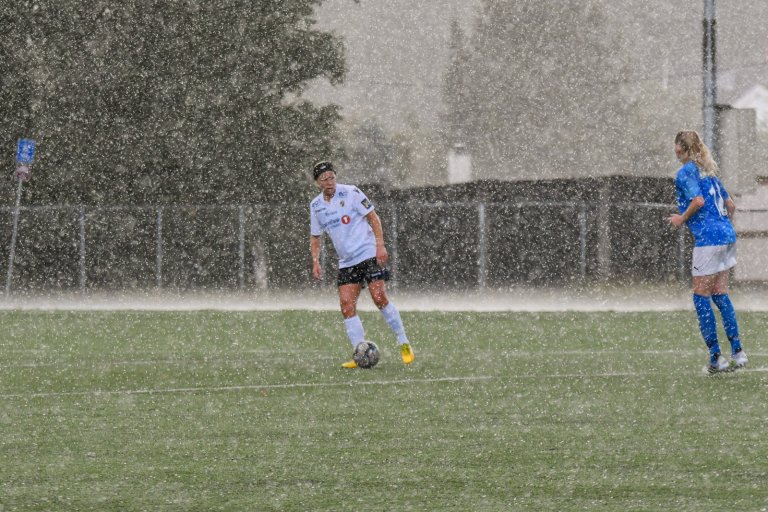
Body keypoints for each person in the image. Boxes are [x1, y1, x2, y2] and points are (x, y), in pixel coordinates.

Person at [309, 161, 415, 368]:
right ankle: (359, 353)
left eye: (332, 177)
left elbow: (374, 218)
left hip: (367, 253)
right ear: (317, 183)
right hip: (347, 262)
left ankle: (404, 343)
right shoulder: (316, 206)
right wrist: (315, 261)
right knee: (347, 305)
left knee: (379, 298)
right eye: (324, 179)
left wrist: (380, 245)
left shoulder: (351, 193)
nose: (330, 182)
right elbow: (315, 237)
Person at [667, 130, 748, 373]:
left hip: (710, 240)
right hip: (727, 235)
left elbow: (698, 201)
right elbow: (730, 204)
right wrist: (722, 226)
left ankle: (716, 357)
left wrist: (681, 218)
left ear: (680, 148)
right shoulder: (709, 172)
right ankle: (738, 352)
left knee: (700, 296)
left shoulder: (686, 173)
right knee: (720, 293)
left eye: (675, 146)